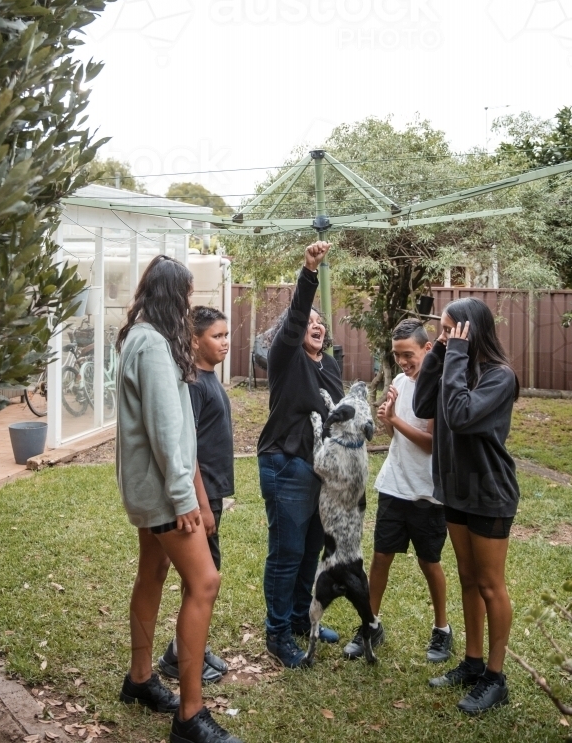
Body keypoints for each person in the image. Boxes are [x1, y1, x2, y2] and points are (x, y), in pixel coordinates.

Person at [115, 255, 242, 743]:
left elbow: (173, 427)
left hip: (153, 488)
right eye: (186, 296)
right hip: (165, 493)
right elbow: (168, 430)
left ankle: (141, 680)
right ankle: (190, 716)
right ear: (172, 295)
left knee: (152, 572)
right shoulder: (151, 345)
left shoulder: (141, 338)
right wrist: (186, 498)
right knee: (204, 582)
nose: (190, 305)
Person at [413, 297, 519, 714]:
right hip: (457, 486)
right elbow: (424, 405)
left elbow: (458, 415)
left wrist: (453, 354)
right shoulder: (454, 366)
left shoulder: (499, 376)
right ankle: (473, 663)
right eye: (440, 329)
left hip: (490, 490)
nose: (442, 336)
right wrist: (439, 353)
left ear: (470, 332)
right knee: (468, 578)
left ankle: (496, 677)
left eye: (448, 329)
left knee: (491, 584)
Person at [257, 241, 345, 668]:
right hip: (286, 463)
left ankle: (296, 620)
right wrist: (309, 274)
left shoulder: (329, 366)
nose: (316, 325)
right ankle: (276, 635)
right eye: (309, 321)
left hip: (318, 472)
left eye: (321, 321)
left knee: (310, 552)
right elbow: (295, 318)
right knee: (287, 552)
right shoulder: (285, 356)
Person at [344, 319, 452, 664]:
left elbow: (431, 445)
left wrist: (394, 421)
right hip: (394, 485)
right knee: (381, 558)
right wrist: (390, 419)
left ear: (427, 349)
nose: (403, 362)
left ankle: (442, 629)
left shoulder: (438, 388)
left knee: (429, 562)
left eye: (409, 354)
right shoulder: (401, 383)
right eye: (397, 355)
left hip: (427, 492)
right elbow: (399, 440)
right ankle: (370, 624)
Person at [159, 306, 233, 685]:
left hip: (215, 495)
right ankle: (179, 656)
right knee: (200, 580)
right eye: (216, 336)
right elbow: (190, 454)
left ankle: (192, 648)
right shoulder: (195, 386)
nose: (224, 342)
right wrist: (203, 507)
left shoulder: (208, 378)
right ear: (194, 341)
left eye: (225, 335)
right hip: (201, 499)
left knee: (202, 578)